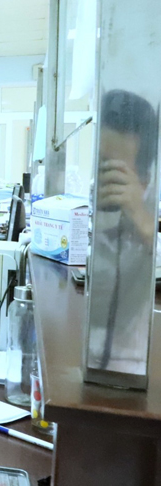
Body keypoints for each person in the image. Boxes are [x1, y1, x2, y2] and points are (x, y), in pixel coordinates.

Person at [88, 89, 159, 374]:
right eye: (101, 164)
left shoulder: (148, 232)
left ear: (144, 179)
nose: (107, 178)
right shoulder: (93, 230)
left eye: (118, 170)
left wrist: (140, 218)